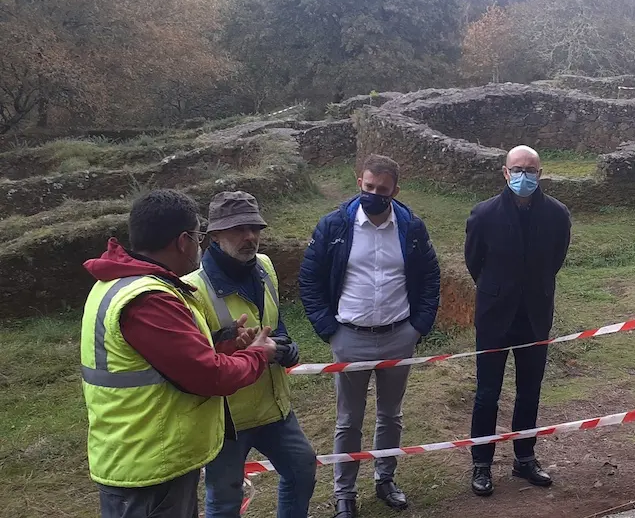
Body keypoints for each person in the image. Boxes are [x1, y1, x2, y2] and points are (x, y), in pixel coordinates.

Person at [80, 189, 277, 518]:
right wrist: (258, 354)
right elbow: (209, 376)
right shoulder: (149, 299)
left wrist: (222, 343)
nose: (200, 246)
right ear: (184, 239)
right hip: (150, 465)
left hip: (140, 455)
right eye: (199, 236)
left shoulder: (121, 285)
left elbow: (162, 361)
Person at [298, 154, 441, 518]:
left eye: (382, 189)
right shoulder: (334, 226)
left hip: (398, 334)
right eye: (368, 187)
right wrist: (327, 328)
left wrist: (419, 326)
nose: (374, 194)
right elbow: (310, 279)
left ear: (395, 190)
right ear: (359, 182)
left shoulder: (411, 228)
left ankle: (385, 479)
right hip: (349, 336)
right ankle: (344, 492)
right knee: (349, 419)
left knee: (391, 415)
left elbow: (430, 277)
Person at [185, 191, 317, 518]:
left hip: (274, 406)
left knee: (302, 470)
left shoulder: (265, 266)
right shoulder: (191, 288)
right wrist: (230, 342)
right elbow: (195, 361)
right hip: (227, 418)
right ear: (213, 235)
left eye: (255, 228)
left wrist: (285, 346)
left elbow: (275, 322)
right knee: (225, 500)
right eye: (238, 229)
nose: (250, 237)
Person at [464, 145, 572, 496]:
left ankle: (524, 458)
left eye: (531, 170)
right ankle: (481, 464)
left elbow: (556, 259)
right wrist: (499, 290)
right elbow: (474, 263)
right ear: (505, 172)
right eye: (518, 169)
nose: (524, 175)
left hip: (534, 316)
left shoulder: (557, 215)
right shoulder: (483, 215)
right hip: (495, 317)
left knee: (529, 392)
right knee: (486, 395)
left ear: (540, 173)